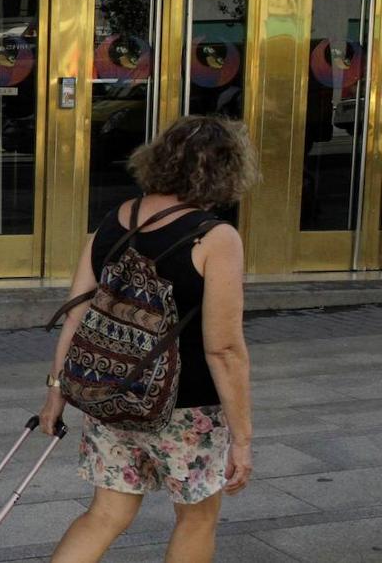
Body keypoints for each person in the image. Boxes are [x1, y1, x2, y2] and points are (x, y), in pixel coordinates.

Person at [39, 115, 259, 563]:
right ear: (226, 170)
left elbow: (76, 314)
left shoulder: (113, 221)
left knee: (104, 516)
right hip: (187, 408)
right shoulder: (216, 238)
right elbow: (224, 348)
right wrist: (242, 438)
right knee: (196, 519)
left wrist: (56, 392)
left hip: (110, 394)